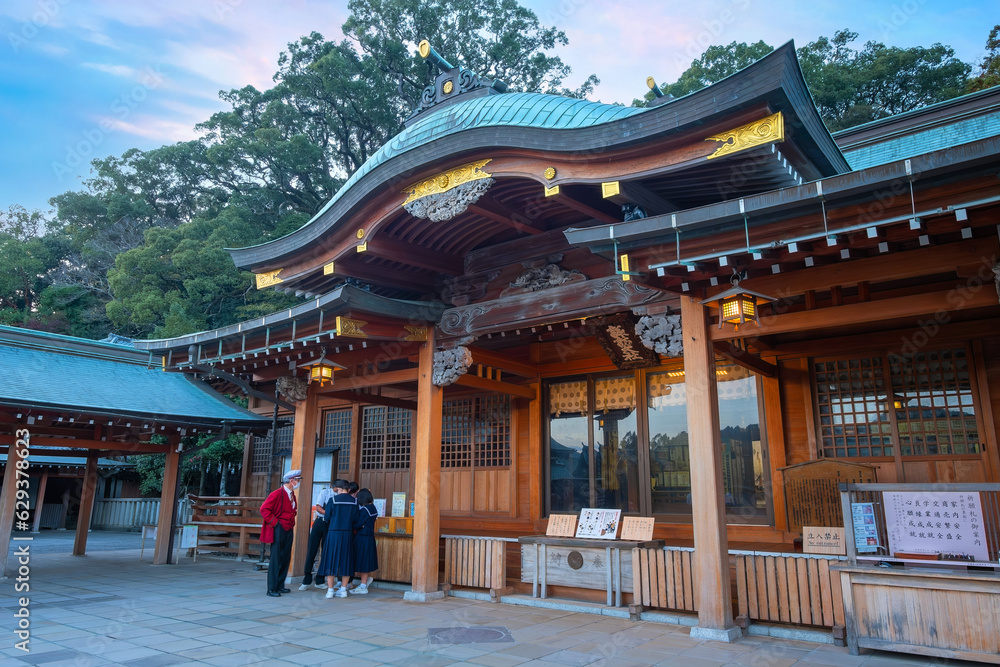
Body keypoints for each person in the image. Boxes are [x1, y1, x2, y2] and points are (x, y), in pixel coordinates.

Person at [259, 470, 300, 597]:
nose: (298, 482)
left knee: (285, 557)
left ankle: (280, 585)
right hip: (278, 527)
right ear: (291, 480)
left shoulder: (292, 494)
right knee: (276, 558)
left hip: (288, 527)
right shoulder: (276, 493)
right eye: (297, 480)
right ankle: (271, 588)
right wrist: (275, 522)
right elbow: (264, 509)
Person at [318, 478, 359, 598]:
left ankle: (330, 590)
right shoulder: (354, 501)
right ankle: (343, 590)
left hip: (334, 533)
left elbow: (326, 517)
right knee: (346, 561)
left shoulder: (333, 500)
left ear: (340, 489)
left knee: (331, 560)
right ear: (349, 489)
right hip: (348, 533)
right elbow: (356, 520)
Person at [298, 480, 335, 591]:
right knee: (311, 550)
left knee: (325, 551)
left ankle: (320, 579)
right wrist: (327, 513)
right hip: (320, 521)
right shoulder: (325, 493)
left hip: (330, 524)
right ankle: (307, 579)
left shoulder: (341, 496)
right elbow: (318, 507)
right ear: (333, 486)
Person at [350, 488, 379, 595]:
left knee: (362, 561)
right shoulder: (373, 508)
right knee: (365, 561)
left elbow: (357, 524)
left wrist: (357, 525)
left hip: (362, 537)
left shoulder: (365, 510)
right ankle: (364, 584)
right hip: (370, 537)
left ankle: (363, 586)